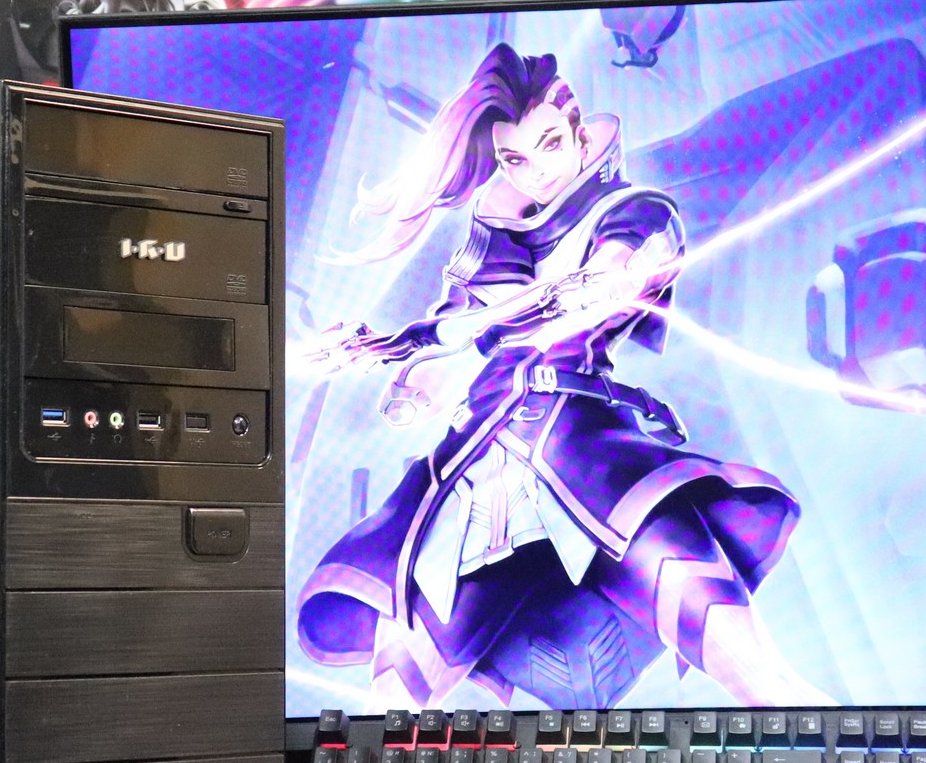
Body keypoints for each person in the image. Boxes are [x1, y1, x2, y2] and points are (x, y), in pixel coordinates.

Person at [296, 42, 830, 709]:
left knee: (752, 671)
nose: (537, 171)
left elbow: (603, 284)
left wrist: (445, 334)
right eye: (514, 159)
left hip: (588, 459)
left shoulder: (635, 212)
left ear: (578, 132)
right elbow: (457, 342)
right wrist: (399, 365)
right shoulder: (498, 244)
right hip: (473, 477)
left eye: (549, 144)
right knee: (395, 700)